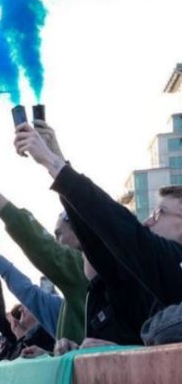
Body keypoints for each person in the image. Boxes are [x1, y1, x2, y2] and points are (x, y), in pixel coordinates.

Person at [13, 121, 176, 344]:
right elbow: (96, 234)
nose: (148, 221)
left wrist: (54, 163)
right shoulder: (137, 286)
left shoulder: (169, 267)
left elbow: (119, 227)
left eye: (160, 212)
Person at [0, 156, 86, 343]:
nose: (56, 242)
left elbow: (41, 245)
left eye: (59, 234)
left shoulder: (81, 271)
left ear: (79, 235)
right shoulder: (64, 306)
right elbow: (27, 291)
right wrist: (46, 355)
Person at [0, 230, 62, 338]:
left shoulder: (44, 337)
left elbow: (23, 289)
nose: (21, 309)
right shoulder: (28, 345)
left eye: (27, 305)